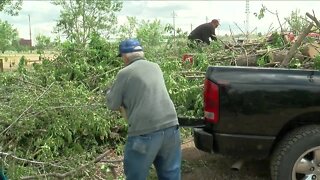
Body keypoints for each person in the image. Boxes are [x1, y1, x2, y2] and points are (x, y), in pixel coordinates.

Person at [106, 38, 181, 180]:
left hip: (145, 134)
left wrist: (108, 93)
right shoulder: (155, 67)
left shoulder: (124, 73)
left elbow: (113, 104)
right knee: (171, 175)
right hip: (171, 128)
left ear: (125, 56)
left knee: (136, 175)